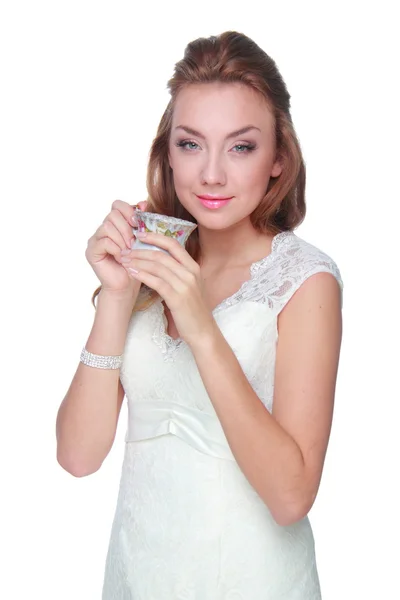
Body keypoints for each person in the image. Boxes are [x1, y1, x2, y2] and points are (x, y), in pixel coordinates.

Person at [56, 30, 343, 599]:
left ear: (278, 159)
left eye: (240, 146)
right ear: (167, 150)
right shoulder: (152, 264)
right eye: (190, 144)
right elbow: (77, 456)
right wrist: (117, 295)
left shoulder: (306, 280)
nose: (211, 174)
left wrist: (200, 325)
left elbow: (291, 498)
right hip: (138, 575)